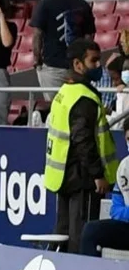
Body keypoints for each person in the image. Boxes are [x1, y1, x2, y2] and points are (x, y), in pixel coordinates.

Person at [47, 38, 114, 253]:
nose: (98, 65)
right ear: (77, 64)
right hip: (82, 178)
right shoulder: (84, 98)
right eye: (93, 61)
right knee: (81, 236)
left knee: (63, 232)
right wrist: (97, 174)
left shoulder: (64, 92)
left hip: (64, 175)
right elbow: (83, 140)